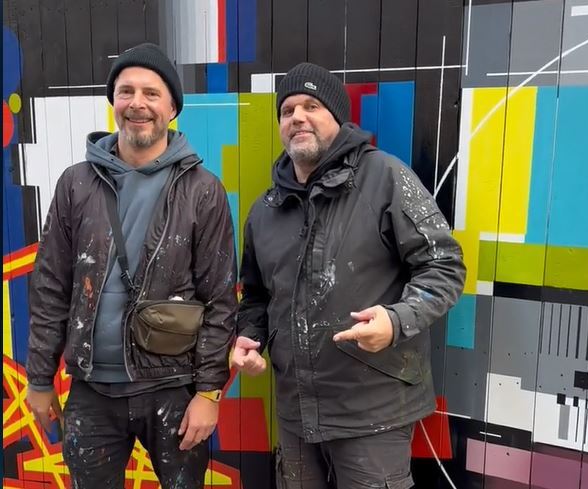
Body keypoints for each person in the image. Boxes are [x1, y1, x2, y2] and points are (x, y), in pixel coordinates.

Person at [232, 62, 466, 489]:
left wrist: (396, 322)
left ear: (337, 118)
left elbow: (444, 266)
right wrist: (251, 338)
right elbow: (256, 297)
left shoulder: (386, 177)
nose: (297, 117)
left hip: (372, 413)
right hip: (296, 413)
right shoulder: (265, 210)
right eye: (287, 110)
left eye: (311, 105)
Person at [25, 43, 237, 488]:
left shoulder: (202, 190)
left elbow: (219, 299)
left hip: (175, 389)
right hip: (90, 393)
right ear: (114, 102)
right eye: (126, 91)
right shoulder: (75, 184)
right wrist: (40, 377)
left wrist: (208, 392)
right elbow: (50, 287)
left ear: (172, 107)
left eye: (151, 93)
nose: (137, 104)